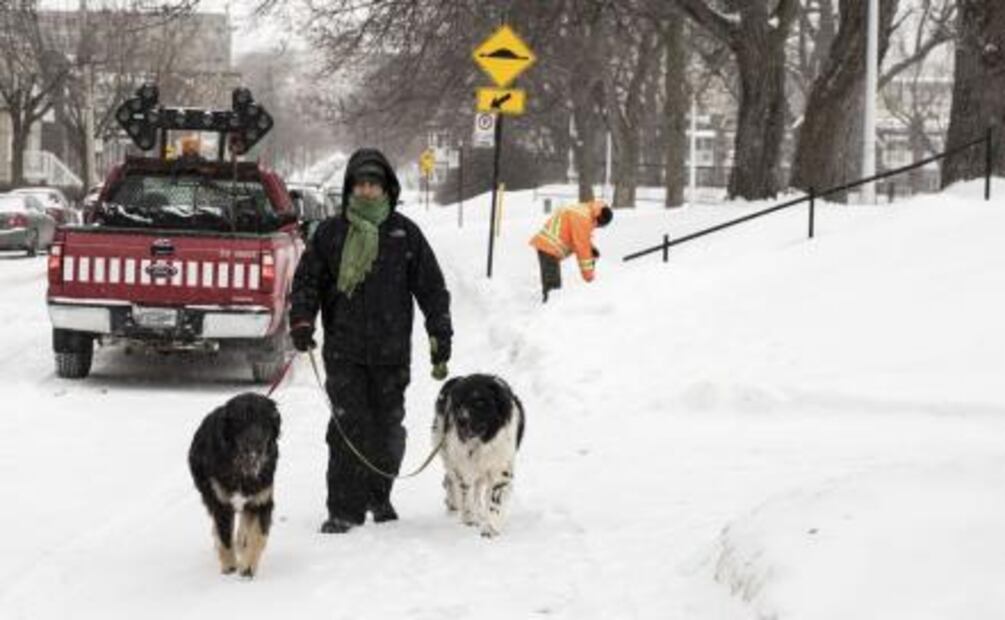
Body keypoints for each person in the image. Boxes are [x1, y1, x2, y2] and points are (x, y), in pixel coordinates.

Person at [289, 148, 453, 534]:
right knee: (347, 427)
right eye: (360, 183)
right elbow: (308, 281)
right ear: (350, 186)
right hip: (344, 351)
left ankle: (379, 496)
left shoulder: (405, 234)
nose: (366, 191)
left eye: (373, 184)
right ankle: (343, 509)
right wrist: (301, 320)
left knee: (387, 427)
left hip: (391, 353)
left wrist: (439, 331)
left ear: (387, 188)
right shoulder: (330, 233)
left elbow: (431, 287)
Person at [529, 199, 613, 302]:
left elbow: (581, 238)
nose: (597, 227)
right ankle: (548, 312)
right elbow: (582, 250)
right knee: (554, 290)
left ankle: (549, 308)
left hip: (548, 246)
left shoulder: (585, 210)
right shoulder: (583, 219)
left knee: (553, 287)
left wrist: (591, 248)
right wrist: (589, 278)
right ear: (599, 219)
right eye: (599, 225)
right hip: (549, 248)